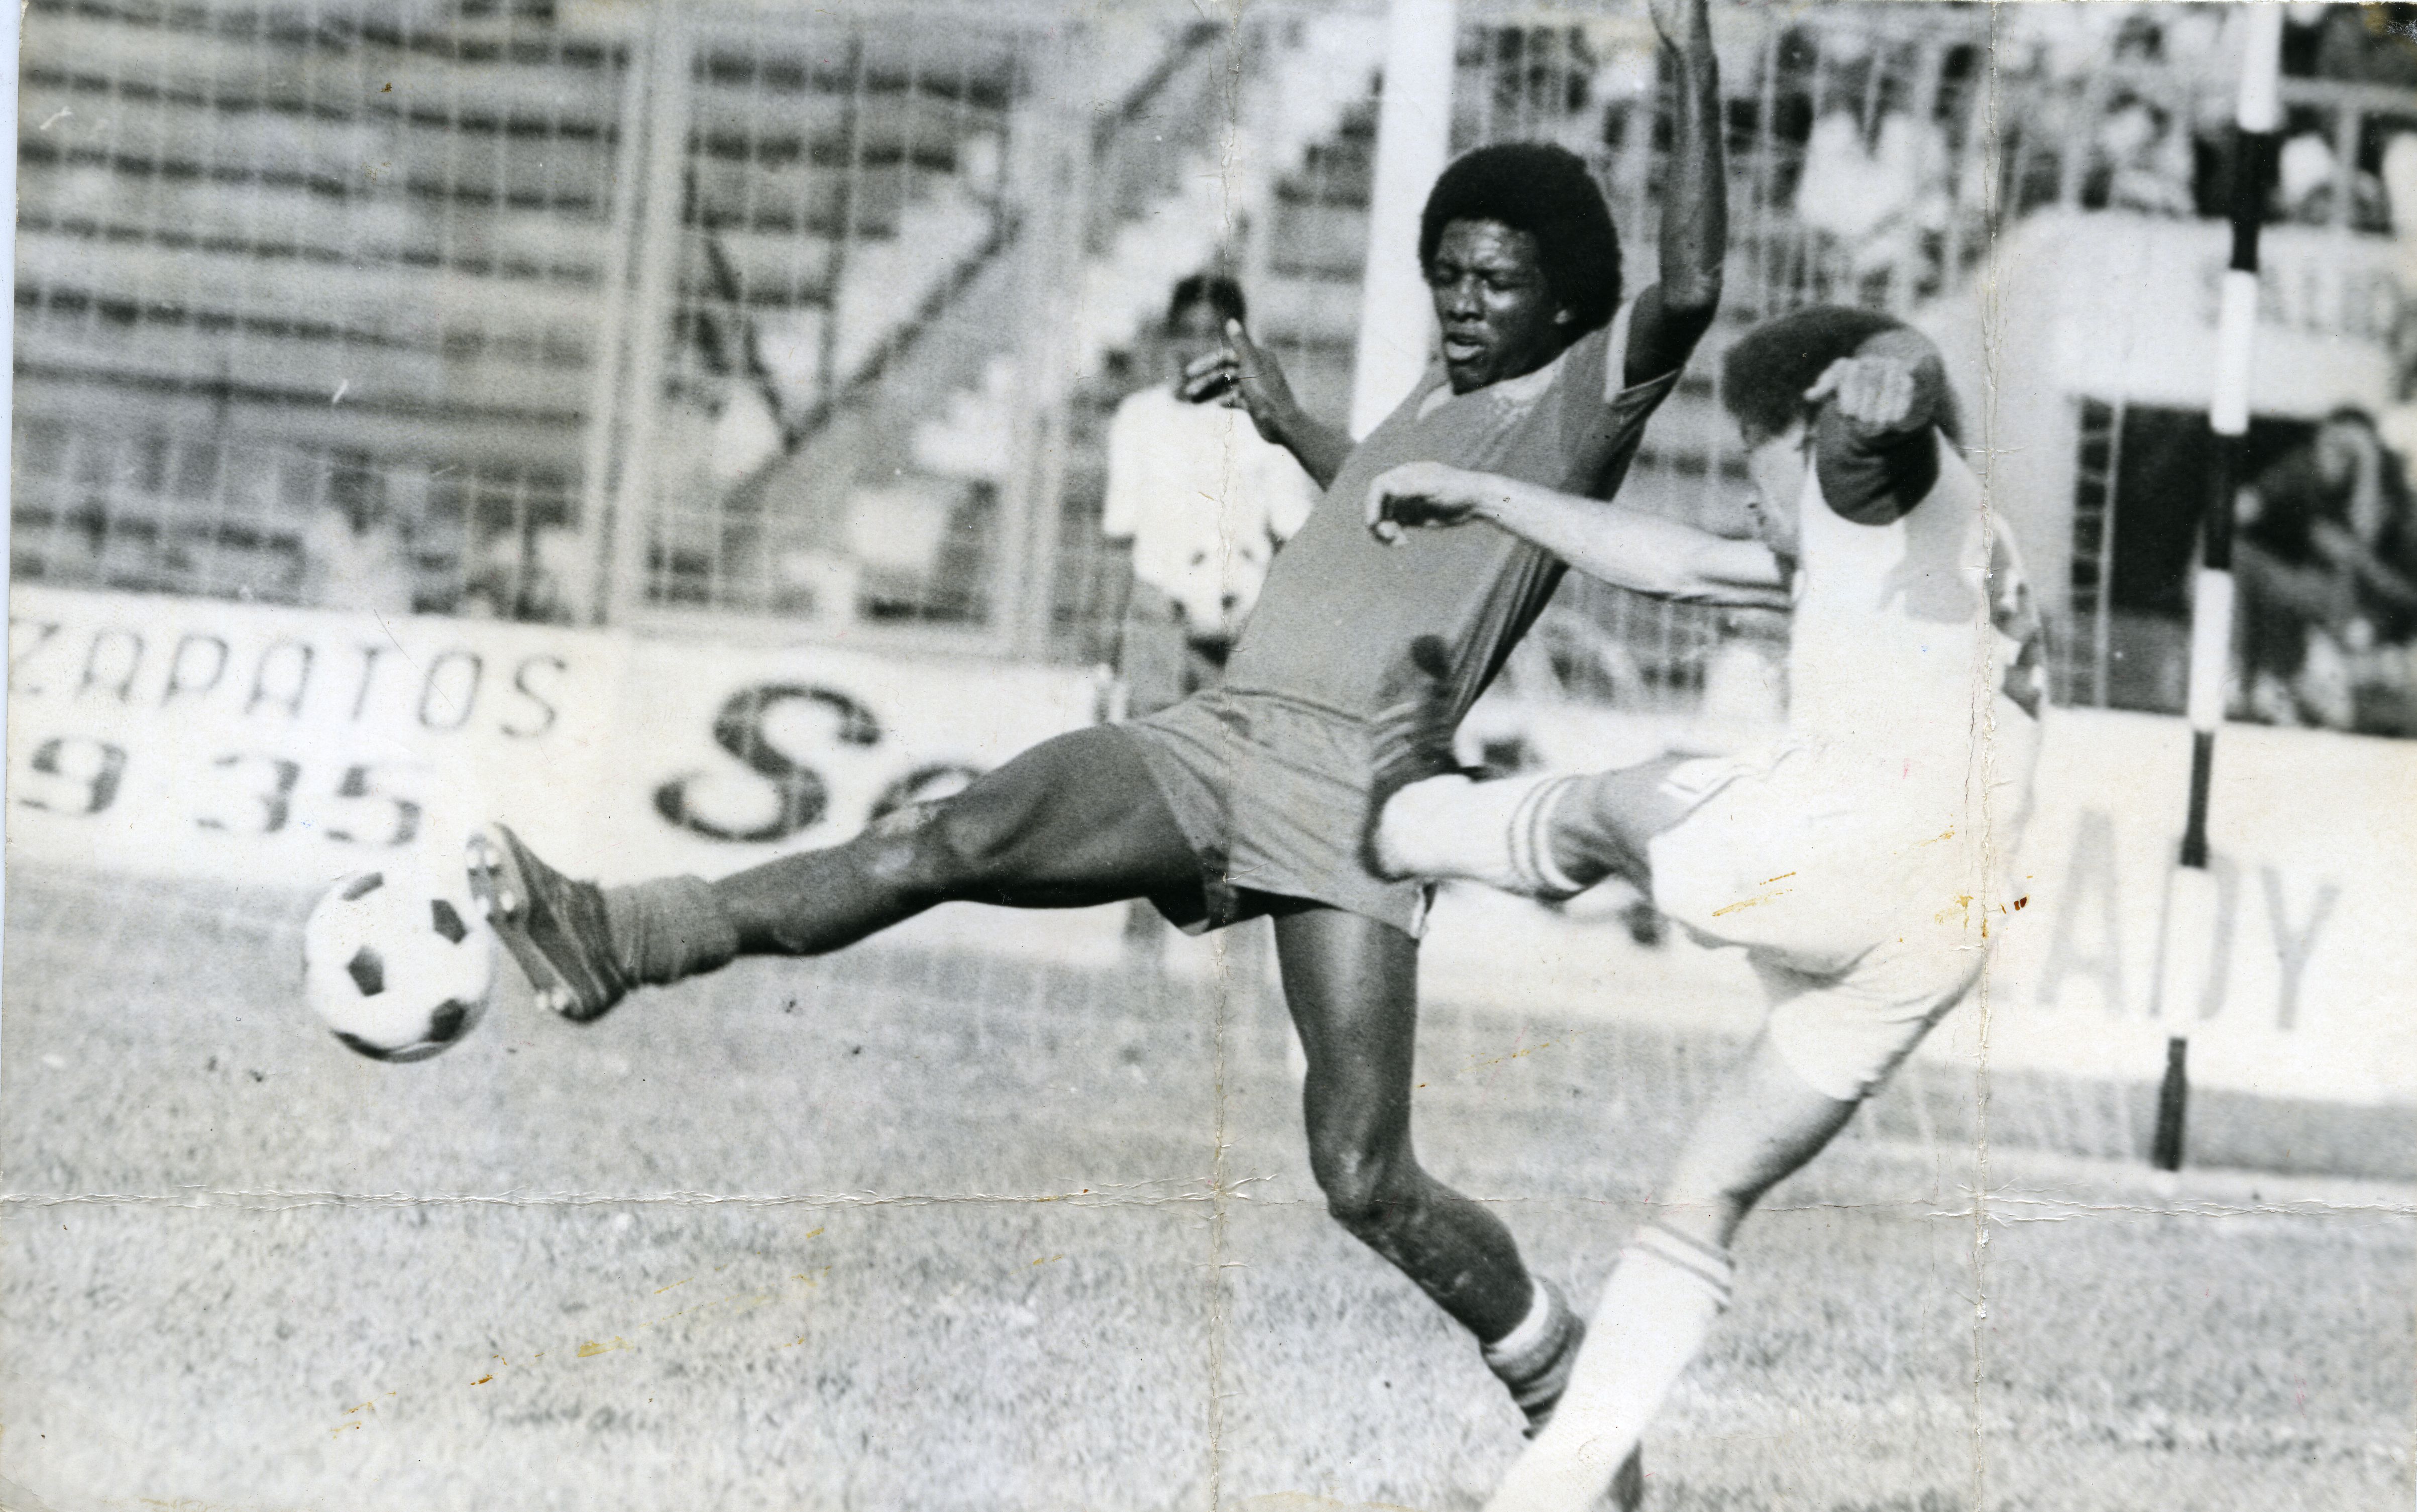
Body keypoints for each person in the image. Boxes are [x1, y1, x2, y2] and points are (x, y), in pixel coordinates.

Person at [465, 0, 1726, 1441]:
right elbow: (1388, 510)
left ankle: (1565, 1391)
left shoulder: (1575, 408)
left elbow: (1690, 284)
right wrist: (1293, 424)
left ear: (1564, 304)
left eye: (1494, 282)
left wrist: (1688, 56)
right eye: (1446, 275)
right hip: (1215, 739)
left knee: (1364, 1178)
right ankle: (622, 935)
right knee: (944, 836)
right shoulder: (1440, 389)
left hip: (1358, 802)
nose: (1461, 303)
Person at [1359, 305, 2044, 1512]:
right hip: (1943, 929)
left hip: (1859, 847)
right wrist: (1481, 493)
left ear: (1805, 435)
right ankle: (1554, 1496)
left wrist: (1889, 380)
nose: (1744, 492)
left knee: (1619, 803)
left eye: (1747, 459)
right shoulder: (1927, 538)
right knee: (1703, 1196)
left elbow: (1899, 384)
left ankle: (1408, 818)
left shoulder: (1857, 474)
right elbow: (1672, 562)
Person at [1097, 274, 1317, 717]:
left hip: (1238, 620)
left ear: (1235, 344)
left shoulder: (1262, 423)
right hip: (1158, 617)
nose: (1196, 348)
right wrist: (1104, 658)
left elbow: (1292, 536)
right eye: (1185, 332)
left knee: (1224, 746)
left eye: (1211, 335)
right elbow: (1120, 541)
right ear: (1168, 336)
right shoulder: (1139, 417)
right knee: (1151, 744)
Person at [2234, 407, 2417, 728]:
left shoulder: (2386, 484)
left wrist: (2368, 463)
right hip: (2309, 594)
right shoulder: (2304, 466)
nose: (2332, 457)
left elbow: (2367, 536)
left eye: (2347, 451)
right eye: (2328, 444)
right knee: (2236, 555)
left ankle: (2302, 690)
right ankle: (2239, 678)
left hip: (2365, 609)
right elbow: (2249, 504)